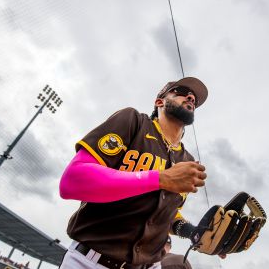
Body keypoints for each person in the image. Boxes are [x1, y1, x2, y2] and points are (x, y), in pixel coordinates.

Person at [59, 77, 209, 269]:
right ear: (159, 101)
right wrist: (159, 178)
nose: (190, 97)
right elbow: (73, 180)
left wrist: (193, 233)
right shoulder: (134, 122)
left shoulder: (187, 161)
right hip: (90, 261)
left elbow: (167, 214)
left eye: (194, 98)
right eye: (180, 91)